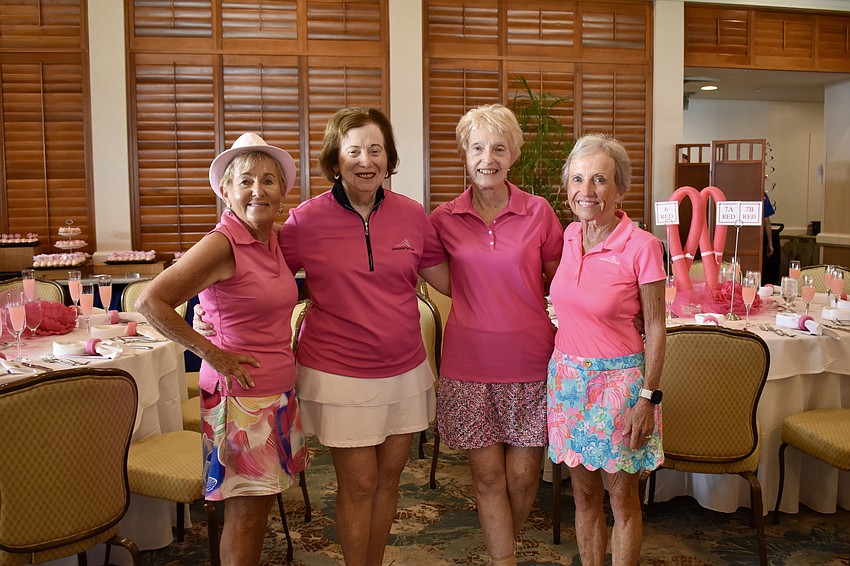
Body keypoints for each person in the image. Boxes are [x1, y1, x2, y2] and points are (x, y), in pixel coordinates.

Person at [196, 108, 449, 566]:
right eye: (353, 151)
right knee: (360, 485)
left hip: (407, 370)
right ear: (335, 160)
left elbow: (450, 279)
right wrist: (209, 311)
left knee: (390, 481)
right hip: (337, 374)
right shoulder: (305, 221)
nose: (366, 160)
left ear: (389, 158)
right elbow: (255, 265)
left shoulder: (413, 216)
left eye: (376, 150)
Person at [137, 132, 309, 566]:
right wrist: (210, 351)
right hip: (242, 399)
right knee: (246, 517)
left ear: (282, 193)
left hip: (273, 393)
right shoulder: (223, 241)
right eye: (246, 180)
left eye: (269, 180)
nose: (258, 189)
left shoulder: (271, 240)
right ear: (226, 191)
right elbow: (150, 301)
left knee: (260, 508)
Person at [428, 104, 562, 566]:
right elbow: (435, 276)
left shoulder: (539, 213)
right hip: (469, 365)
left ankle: (504, 547)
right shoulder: (443, 218)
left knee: (524, 479)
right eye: (479, 147)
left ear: (513, 157)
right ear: (465, 154)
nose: (488, 157)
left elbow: (557, 280)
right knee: (487, 479)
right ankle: (503, 560)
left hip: (531, 360)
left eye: (499, 148)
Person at [546, 133, 666, 566]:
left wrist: (648, 397)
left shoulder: (643, 246)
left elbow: (655, 327)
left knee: (622, 501)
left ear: (620, 188)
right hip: (568, 385)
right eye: (578, 179)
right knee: (582, 496)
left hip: (620, 387)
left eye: (599, 179)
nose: (587, 190)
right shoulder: (569, 236)